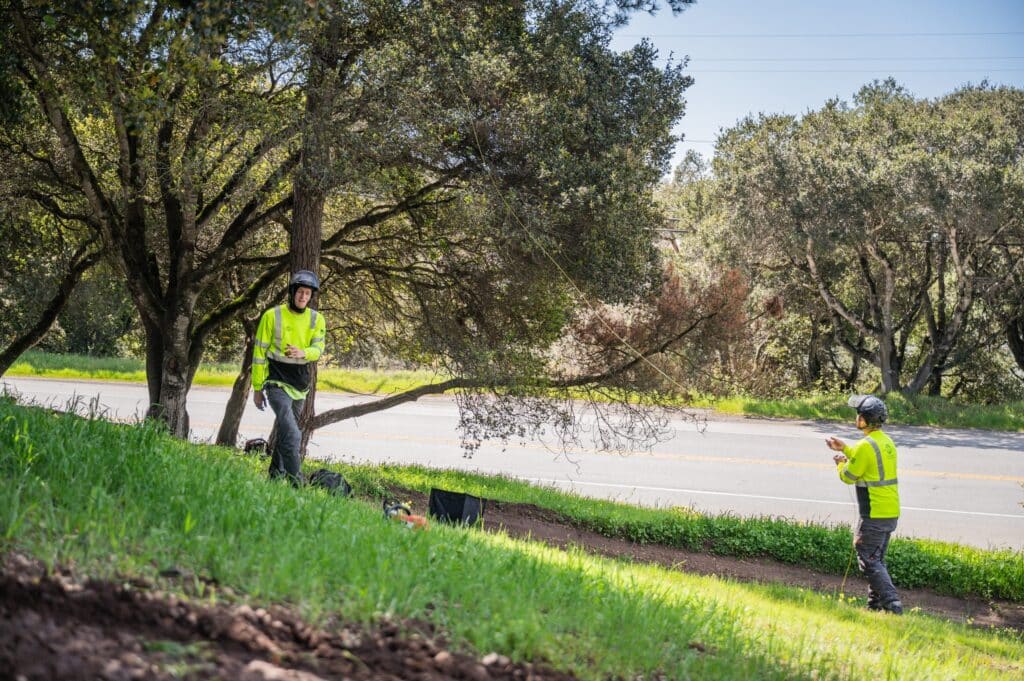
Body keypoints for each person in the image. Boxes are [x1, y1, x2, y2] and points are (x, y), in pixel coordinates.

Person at [826, 395, 903, 615]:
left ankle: (892, 604)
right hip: (889, 512)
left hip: (873, 513)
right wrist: (847, 450)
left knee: (868, 559)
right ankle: (874, 606)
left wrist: (841, 463)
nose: (856, 417)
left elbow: (849, 476)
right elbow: (867, 459)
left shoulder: (864, 446)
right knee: (876, 559)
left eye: (858, 414)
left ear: (864, 419)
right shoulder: (886, 442)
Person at [251, 270, 326, 484]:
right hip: (276, 383)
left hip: (300, 386)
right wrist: (258, 388)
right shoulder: (272, 316)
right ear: (292, 292)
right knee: (293, 434)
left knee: (286, 432)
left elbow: (318, 348)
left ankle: (274, 478)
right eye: (300, 292)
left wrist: (304, 352)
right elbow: (258, 355)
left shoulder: (317, 319)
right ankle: (298, 485)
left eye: (307, 294)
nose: (303, 297)